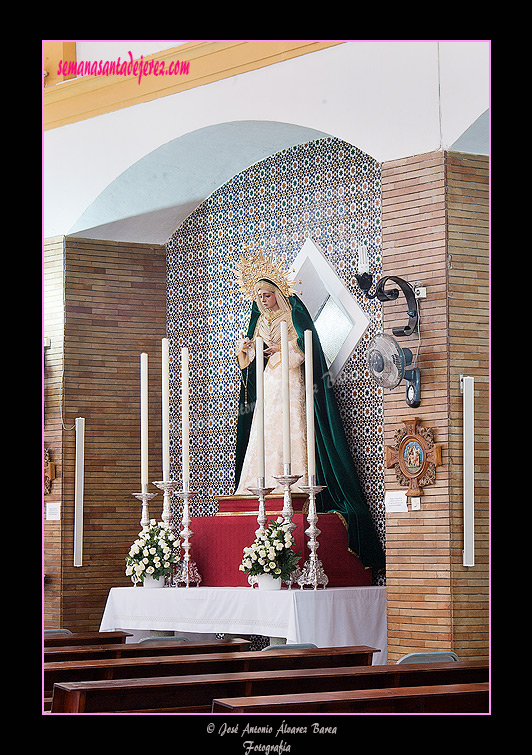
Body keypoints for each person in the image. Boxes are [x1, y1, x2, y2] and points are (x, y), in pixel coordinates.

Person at [234, 249, 385, 571]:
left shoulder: (292, 316)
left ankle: (297, 482)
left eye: (267, 295)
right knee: (264, 428)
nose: (263, 301)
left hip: (289, 379)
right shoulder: (260, 321)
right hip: (269, 381)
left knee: (289, 425)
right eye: (259, 296)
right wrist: (248, 349)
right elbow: (251, 361)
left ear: (277, 294)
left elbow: (305, 349)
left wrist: (279, 350)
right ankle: (259, 484)